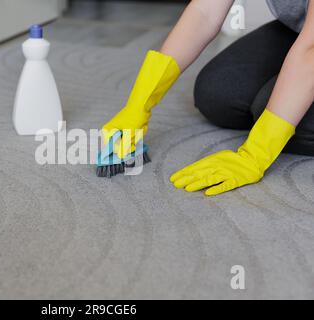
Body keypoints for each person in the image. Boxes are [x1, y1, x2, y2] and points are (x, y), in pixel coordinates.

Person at [102, 0, 314, 196]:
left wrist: (256, 153)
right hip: (300, 29)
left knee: (269, 111)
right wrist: (138, 104)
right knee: (217, 93)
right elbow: (204, 11)